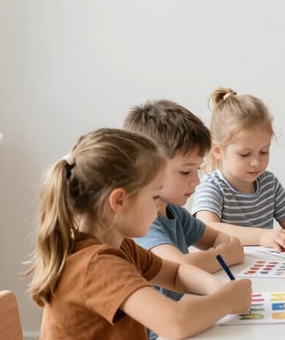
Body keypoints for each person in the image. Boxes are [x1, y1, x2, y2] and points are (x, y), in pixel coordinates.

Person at [26, 128, 251, 340]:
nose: (158, 207)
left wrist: (218, 288)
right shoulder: (96, 265)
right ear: (119, 201)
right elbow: (175, 322)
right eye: (154, 197)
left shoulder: (121, 246)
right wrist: (225, 301)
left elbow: (175, 274)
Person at [124, 99, 245, 338]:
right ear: (148, 168)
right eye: (185, 171)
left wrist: (222, 288)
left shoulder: (174, 212)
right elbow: (181, 265)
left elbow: (221, 241)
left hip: (187, 321)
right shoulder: (141, 224)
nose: (197, 181)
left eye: (197, 169)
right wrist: (224, 256)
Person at [191, 87, 285, 250]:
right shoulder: (212, 186)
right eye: (245, 154)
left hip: (265, 268)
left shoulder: (268, 183)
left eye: (264, 151)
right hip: (227, 270)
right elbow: (208, 228)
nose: (256, 162)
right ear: (218, 151)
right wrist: (261, 236)